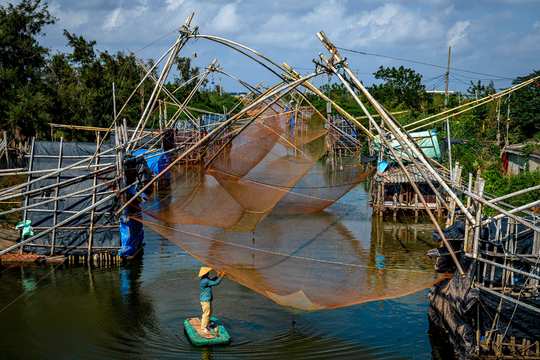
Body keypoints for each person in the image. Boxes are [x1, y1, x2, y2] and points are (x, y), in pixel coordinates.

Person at [198, 267, 226, 333]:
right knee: (206, 313)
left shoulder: (206, 279)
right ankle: (203, 328)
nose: (208, 273)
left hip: (208, 299)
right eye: (207, 272)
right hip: (205, 299)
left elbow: (211, 281)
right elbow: (215, 283)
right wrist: (221, 276)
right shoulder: (205, 280)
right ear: (205, 273)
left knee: (210, 312)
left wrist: (217, 275)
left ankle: (207, 325)